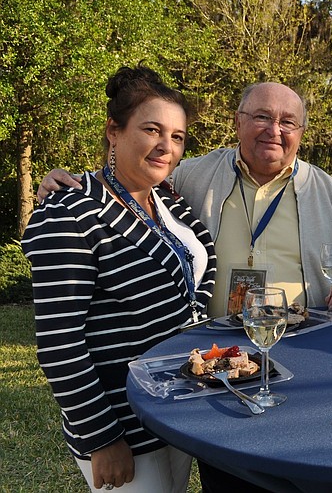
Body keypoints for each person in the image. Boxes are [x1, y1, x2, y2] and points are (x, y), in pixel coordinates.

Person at [22, 65, 217, 492]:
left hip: (175, 410)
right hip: (121, 423)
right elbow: (59, 342)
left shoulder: (168, 202)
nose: (166, 146)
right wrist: (102, 438)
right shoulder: (70, 212)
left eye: (178, 136)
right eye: (152, 130)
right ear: (114, 131)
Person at [39, 81, 332, 318]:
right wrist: (76, 181)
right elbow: (133, 179)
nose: (274, 130)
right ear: (238, 122)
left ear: (301, 133)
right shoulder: (191, 176)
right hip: (210, 347)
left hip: (303, 341)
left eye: (287, 122)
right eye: (262, 116)